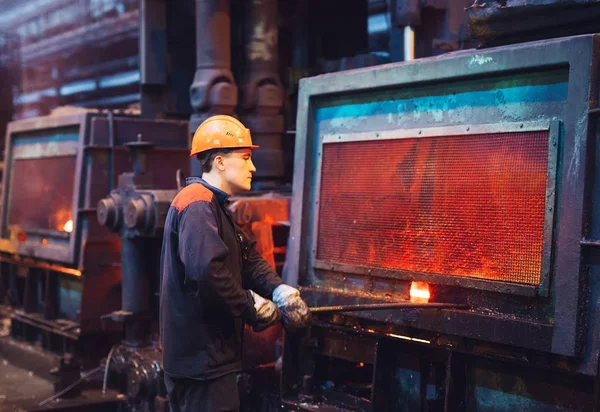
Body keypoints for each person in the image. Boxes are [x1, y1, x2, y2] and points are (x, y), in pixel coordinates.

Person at [160, 115, 310, 412]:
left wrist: (281, 291)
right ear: (220, 162)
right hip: (201, 364)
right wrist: (249, 308)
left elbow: (247, 258)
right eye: (245, 158)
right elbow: (207, 272)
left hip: (207, 360)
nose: (253, 167)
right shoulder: (197, 204)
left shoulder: (211, 204)